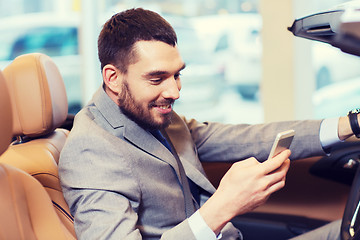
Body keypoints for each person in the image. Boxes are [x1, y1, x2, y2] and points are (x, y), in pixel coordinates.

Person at [58, 8, 358, 240]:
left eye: (177, 74)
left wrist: (349, 124)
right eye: (157, 78)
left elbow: (242, 138)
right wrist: (224, 206)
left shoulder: (153, 113)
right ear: (113, 78)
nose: (174, 91)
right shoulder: (90, 149)